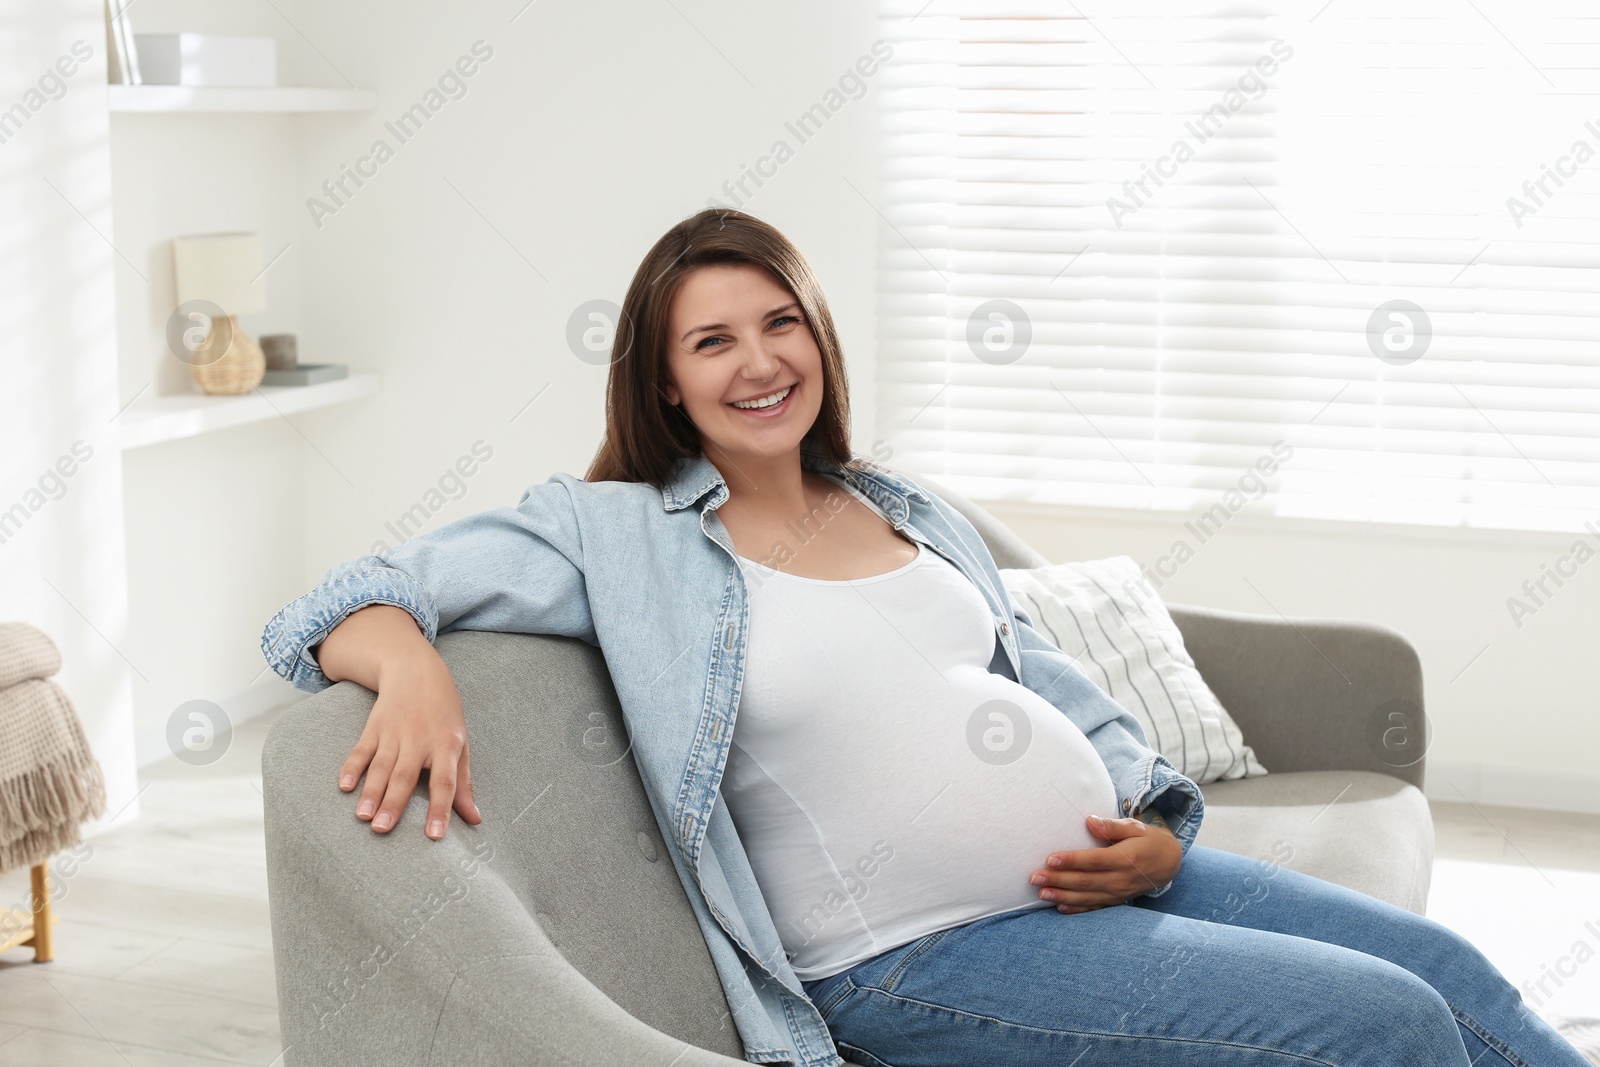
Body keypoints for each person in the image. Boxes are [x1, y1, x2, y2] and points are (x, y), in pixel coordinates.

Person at [260, 208, 1590, 1066]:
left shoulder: (899, 506)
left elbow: (1042, 675)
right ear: (664, 380)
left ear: (822, 338)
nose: (757, 361)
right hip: (915, 958)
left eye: (780, 322)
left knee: (1450, 973)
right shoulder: (619, 537)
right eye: (711, 341)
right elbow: (337, 600)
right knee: (1386, 1029)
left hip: (1101, 882)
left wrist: (1162, 823)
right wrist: (413, 664)